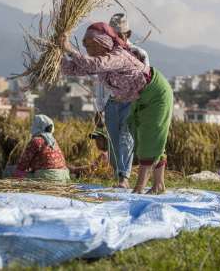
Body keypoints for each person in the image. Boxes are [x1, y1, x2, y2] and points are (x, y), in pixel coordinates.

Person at [61, 22, 173, 194]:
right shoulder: (103, 62)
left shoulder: (118, 55)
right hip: (138, 97)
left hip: (156, 93)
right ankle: (159, 185)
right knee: (141, 136)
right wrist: (57, 54)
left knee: (149, 138)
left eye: (92, 45)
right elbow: (73, 68)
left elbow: (94, 64)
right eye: (86, 46)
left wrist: (69, 49)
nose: (89, 50)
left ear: (104, 43)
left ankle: (139, 187)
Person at [94, 13, 150, 188]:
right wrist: (99, 107)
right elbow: (100, 83)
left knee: (126, 138)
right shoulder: (106, 55)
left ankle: (124, 178)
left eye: (119, 35)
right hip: (112, 103)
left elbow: (146, 79)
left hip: (131, 103)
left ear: (128, 34)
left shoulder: (139, 54)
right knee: (113, 140)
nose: (115, 38)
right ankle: (118, 175)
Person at [12, 114, 70, 182]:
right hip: (63, 177)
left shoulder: (36, 141)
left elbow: (22, 165)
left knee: (11, 172)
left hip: (47, 177)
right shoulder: (53, 141)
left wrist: (17, 172)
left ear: (36, 126)